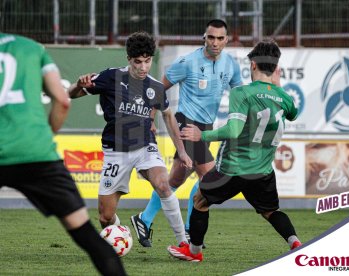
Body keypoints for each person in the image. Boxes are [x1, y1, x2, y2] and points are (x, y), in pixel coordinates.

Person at [0, 33, 126, 275]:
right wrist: (45, 137)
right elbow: (63, 99)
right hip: (36, 152)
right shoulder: (32, 48)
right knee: (86, 235)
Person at [167, 39, 302, 262]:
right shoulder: (284, 97)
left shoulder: (242, 93)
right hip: (262, 171)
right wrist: (276, 87)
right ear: (276, 68)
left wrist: (203, 135)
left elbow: (234, 129)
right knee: (271, 212)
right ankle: (295, 243)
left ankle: (193, 252)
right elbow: (293, 113)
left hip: (234, 168)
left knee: (201, 200)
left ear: (253, 66)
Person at [67, 31, 192, 248]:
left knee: (163, 185)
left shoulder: (155, 87)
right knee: (105, 217)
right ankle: (122, 233)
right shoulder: (111, 78)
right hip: (115, 152)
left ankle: (183, 243)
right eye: (138, 62)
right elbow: (71, 94)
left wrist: (181, 151)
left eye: (147, 61)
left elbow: (169, 116)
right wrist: (78, 85)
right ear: (128, 60)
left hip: (145, 146)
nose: (143, 67)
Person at [137, 19, 243, 247]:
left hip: (206, 128)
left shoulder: (231, 65)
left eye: (220, 38)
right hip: (186, 124)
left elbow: (240, 94)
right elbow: (158, 87)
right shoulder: (188, 62)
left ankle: (143, 219)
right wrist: (151, 117)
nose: (215, 42)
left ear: (226, 40)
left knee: (176, 178)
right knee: (210, 178)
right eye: (211, 37)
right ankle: (189, 230)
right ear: (204, 37)